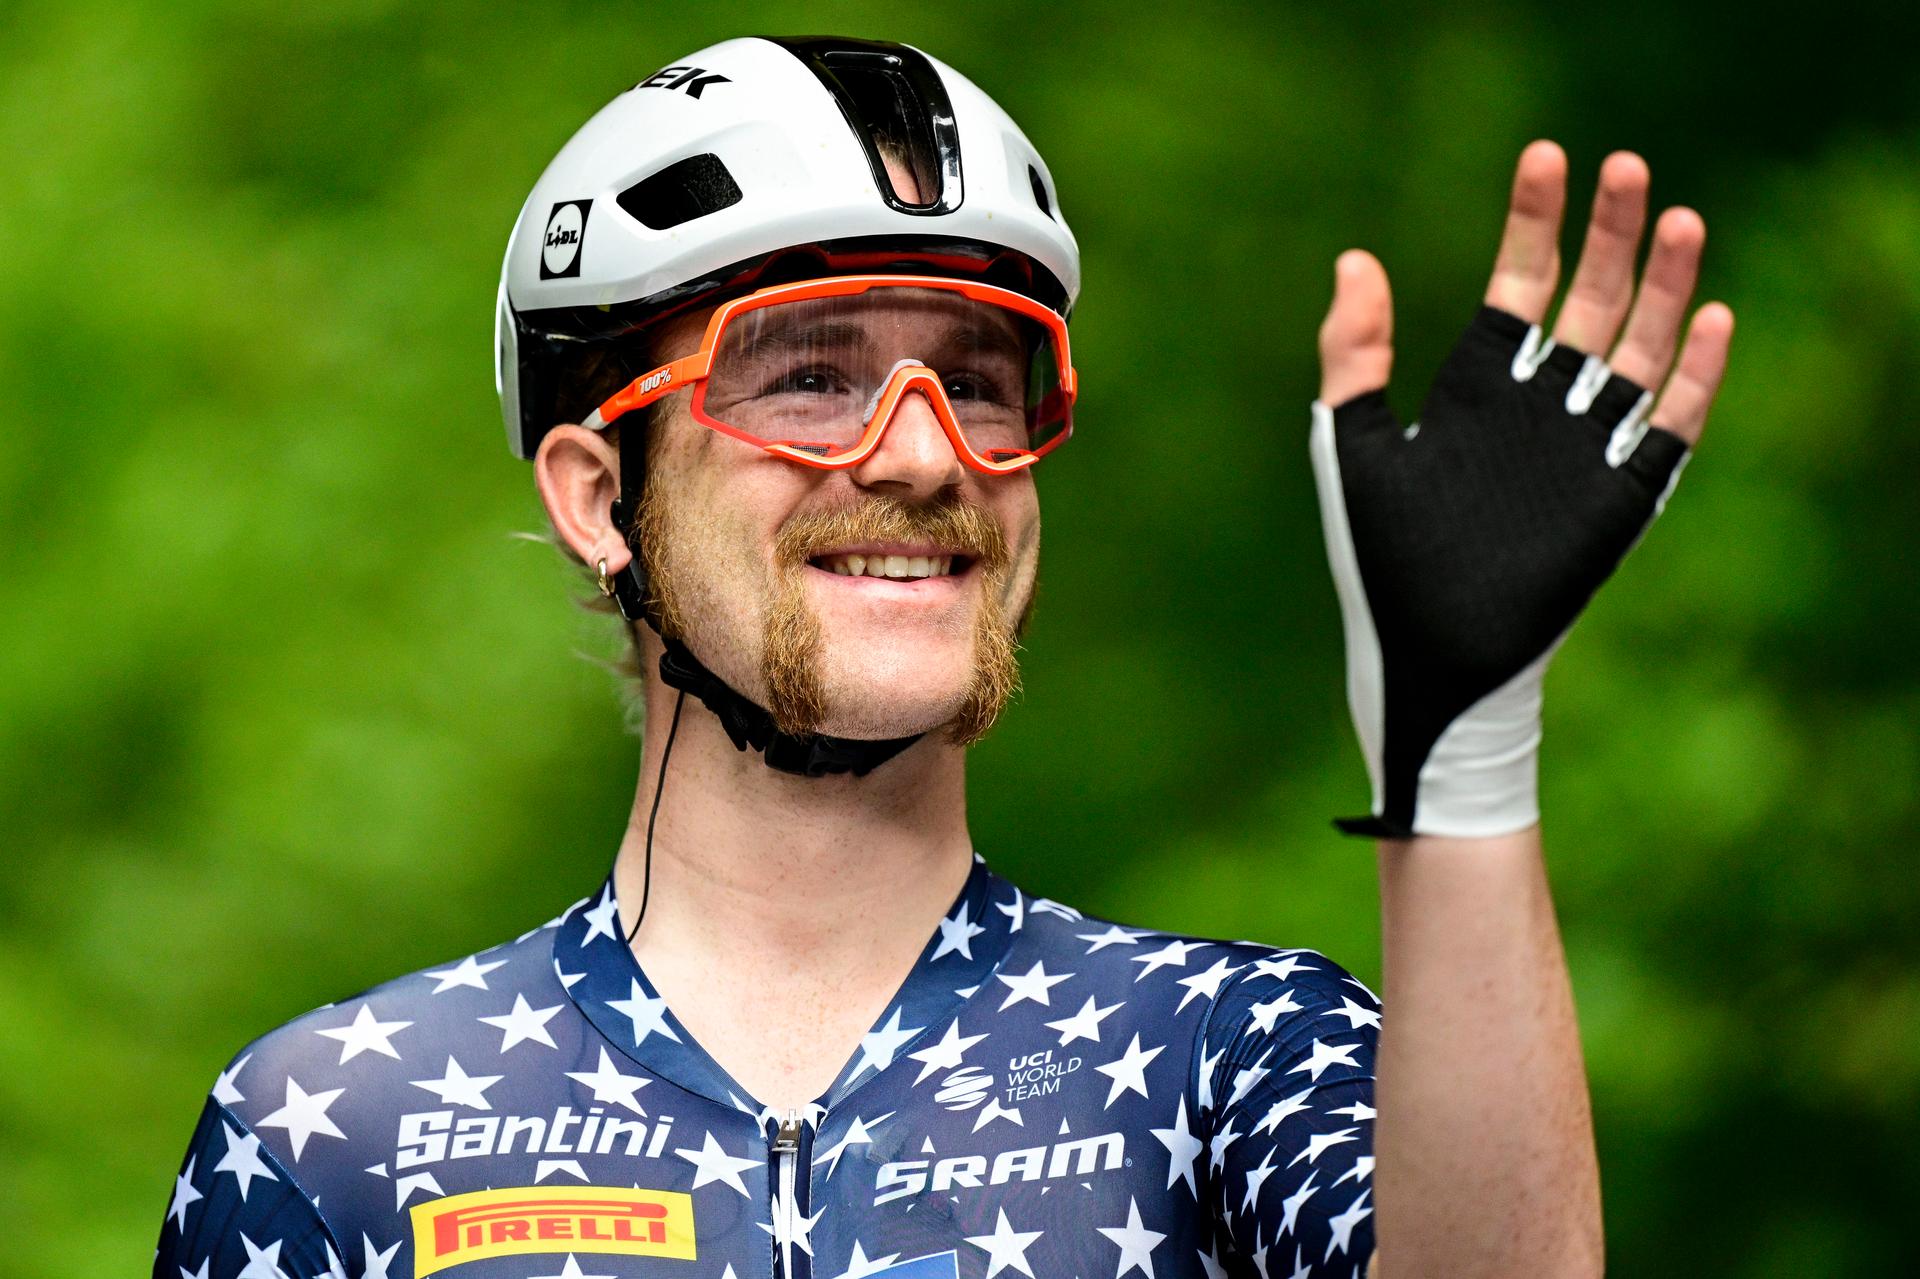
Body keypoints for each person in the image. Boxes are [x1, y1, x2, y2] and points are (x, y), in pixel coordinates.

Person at [153, 34, 1732, 1279]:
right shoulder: (333, 1132)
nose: (922, 457)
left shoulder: (1226, 1059)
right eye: (807, 377)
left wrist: (1461, 745)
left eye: (981, 381)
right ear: (597, 498)